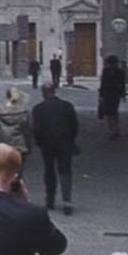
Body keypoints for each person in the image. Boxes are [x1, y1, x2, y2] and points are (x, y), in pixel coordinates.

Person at [32, 82, 79, 214]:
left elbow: (37, 129)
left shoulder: (38, 108)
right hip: (64, 142)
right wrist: (71, 139)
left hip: (47, 143)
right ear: (54, 91)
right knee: (65, 170)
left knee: (49, 170)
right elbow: (74, 125)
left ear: (43, 93)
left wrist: (39, 141)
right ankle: (67, 201)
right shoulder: (67, 106)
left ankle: (50, 199)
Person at [0, 87, 33, 163]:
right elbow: (28, 128)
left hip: (2, 143)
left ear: (7, 95)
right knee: (18, 169)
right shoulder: (23, 111)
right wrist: (29, 145)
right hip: (19, 144)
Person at [99, 54, 126, 139]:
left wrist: (123, 94)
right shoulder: (105, 71)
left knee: (113, 111)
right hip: (107, 94)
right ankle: (112, 130)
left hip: (115, 94)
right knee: (108, 113)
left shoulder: (120, 72)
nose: (111, 65)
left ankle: (116, 130)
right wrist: (101, 95)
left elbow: (122, 84)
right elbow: (103, 84)